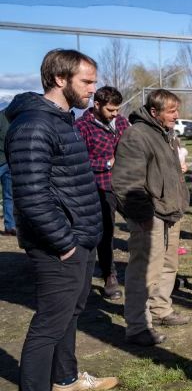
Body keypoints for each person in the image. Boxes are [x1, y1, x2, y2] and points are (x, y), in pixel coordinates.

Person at [6, 49, 117, 391]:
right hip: (59, 246)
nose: (93, 88)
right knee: (46, 328)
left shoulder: (62, 120)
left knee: (71, 310)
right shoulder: (34, 125)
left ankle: (65, 380)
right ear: (59, 79)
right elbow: (32, 197)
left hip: (80, 238)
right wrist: (65, 243)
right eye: (87, 81)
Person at [113, 89, 190, 346]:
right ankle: (137, 326)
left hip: (170, 211)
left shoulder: (166, 135)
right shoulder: (137, 135)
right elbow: (126, 182)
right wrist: (141, 215)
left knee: (168, 266)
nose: (176, 116)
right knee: (144, 271)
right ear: (154, 112)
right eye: (171, 111)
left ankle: (161, 310)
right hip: (150, 215)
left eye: (176, 110)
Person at [74, 85, 130, 299]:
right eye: (110, 110)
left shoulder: (123, 123)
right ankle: (109, 275)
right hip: (100, 187)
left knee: (144, 227)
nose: (115, 114)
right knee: (105, 233)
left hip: (126, 185)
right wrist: (107, 163)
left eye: (117, 110)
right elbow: (79, 160)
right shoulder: (82, 127)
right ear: (96, 105)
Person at [0, 108, 16, 236]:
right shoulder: (12, 118)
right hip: (7, 161)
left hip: (7, 162)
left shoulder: (8, 117)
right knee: (8, 196)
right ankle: (10, 227)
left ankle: (10, 227)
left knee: (9, 196)